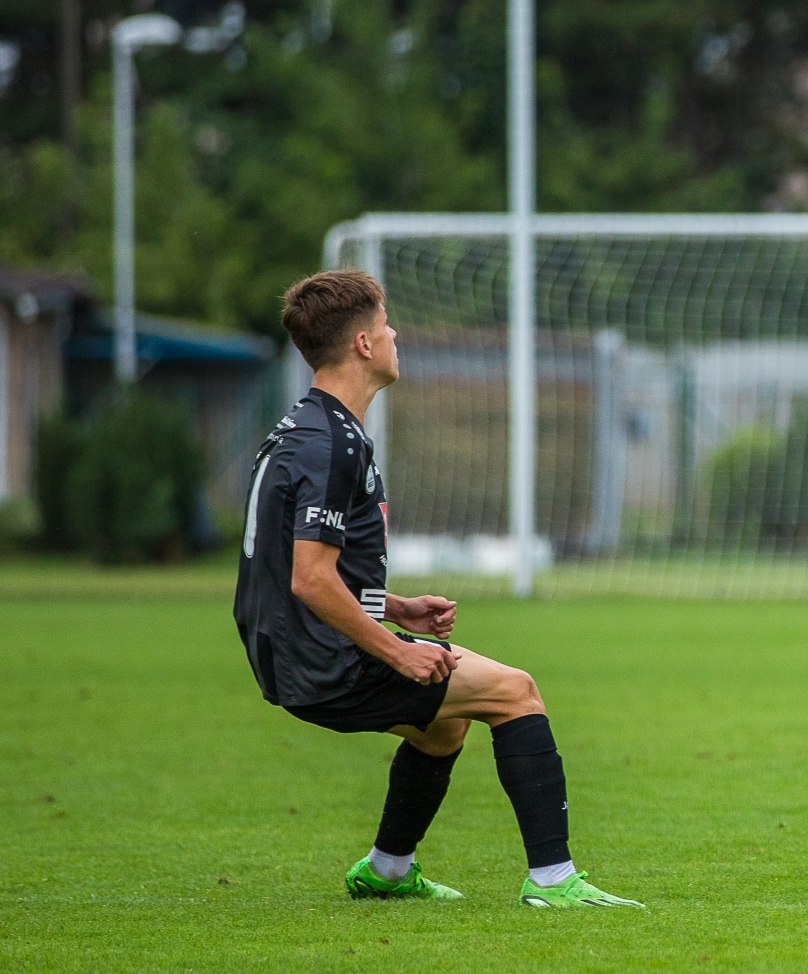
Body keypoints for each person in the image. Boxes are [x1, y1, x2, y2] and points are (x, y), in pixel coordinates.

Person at [233, 269, 641, 907]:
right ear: (363, 344)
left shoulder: (305, 428)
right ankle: (553, 880)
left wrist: (394, 607)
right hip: (324, 660)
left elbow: (290, 566)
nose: (394, 334)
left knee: (442, 729)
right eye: (385, 324)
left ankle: (388, 870)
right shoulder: (332, 443)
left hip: (289, 650)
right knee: (515, 693)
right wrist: (397, 650)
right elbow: (308, 578)